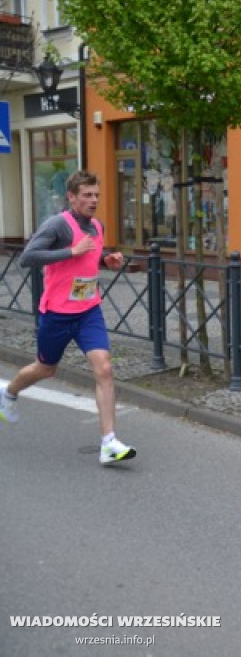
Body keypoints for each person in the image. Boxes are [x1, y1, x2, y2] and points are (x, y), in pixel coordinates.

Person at [0, 171, 137, 465]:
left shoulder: (98, 226)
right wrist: (70, 250)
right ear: (71, 197)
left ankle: (108, 443)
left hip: (89, 311)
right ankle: (9, 392)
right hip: (57, 314)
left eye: (96, 195)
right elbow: (27, 257)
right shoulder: (58, 225)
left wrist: (106, 260)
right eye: (87, 195)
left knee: (104, 368)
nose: (93, 200)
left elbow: (90, 256)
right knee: (46, 368)